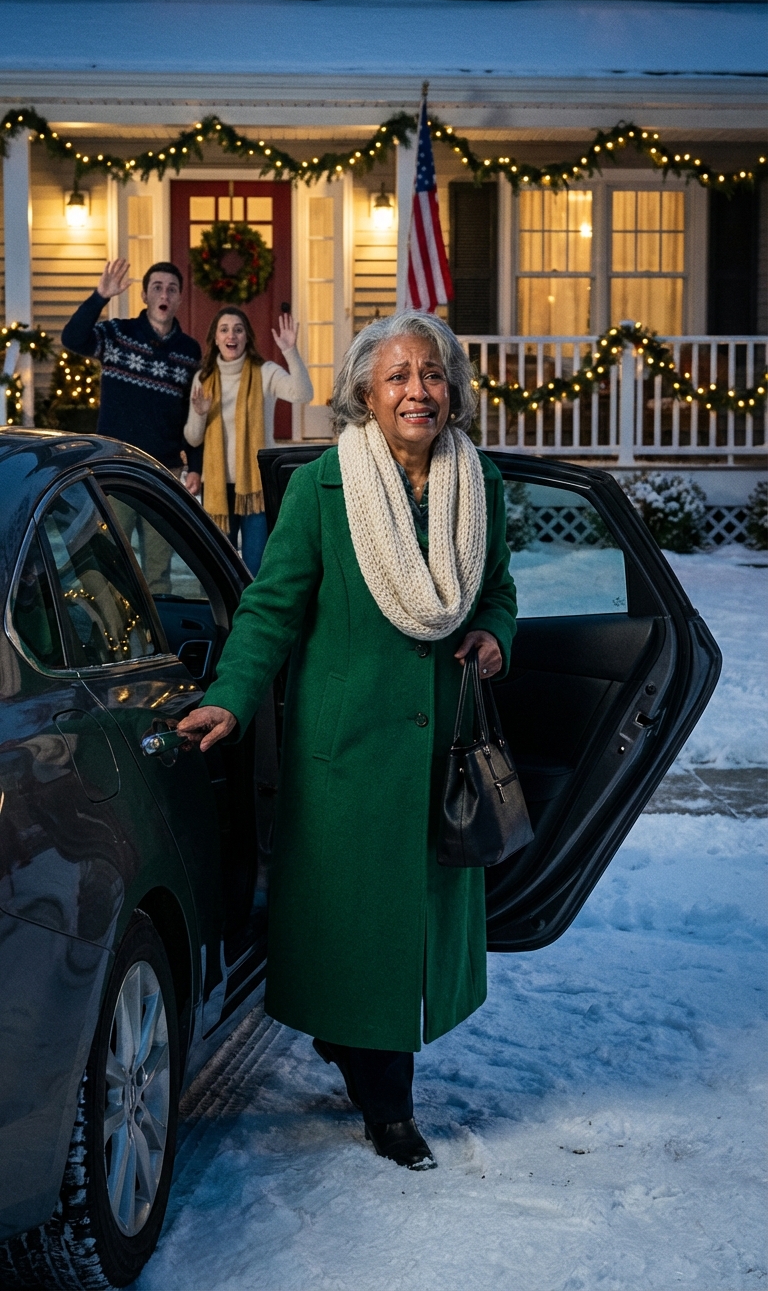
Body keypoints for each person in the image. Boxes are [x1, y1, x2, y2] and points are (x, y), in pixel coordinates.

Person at [178, 312, 518, 1172]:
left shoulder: (478, 485)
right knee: (361, 932)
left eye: (432, 374)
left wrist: (492, 634)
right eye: (398, 375)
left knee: (404, 935)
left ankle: (360, 1050)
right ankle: (389, 1111)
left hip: (439, 751)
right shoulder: (324, 487)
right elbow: (271, 608)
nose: (417, 390)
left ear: (452, 390)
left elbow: (498, 589)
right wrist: (231, 697)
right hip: (349, 756)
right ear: (366, 392)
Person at [61, 259, 202, 592]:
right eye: (157, 288)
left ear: (180, 298)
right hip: (115, 466)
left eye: (172, 289)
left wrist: (194, 466)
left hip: (163, 471)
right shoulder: (117, 334)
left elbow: (193, 412)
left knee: (159, 571)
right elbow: (72, 338)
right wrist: (100, 296)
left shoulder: (189, 351)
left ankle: (160, 622)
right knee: (110, 563)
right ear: (144, 295)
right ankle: (113, 624)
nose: (164, 294)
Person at [183, 306, 312, 576]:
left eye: (238, 329)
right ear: (216, 338)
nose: (231, 335)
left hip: (256, 487)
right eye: (224, 330)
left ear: (247, 337)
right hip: (217, 487)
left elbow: (303, 394)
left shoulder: (265, 372)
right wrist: (200, 413)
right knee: (221, 569)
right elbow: (193, 438)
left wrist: (290, 351)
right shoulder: (203, 378)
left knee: (257, 568)